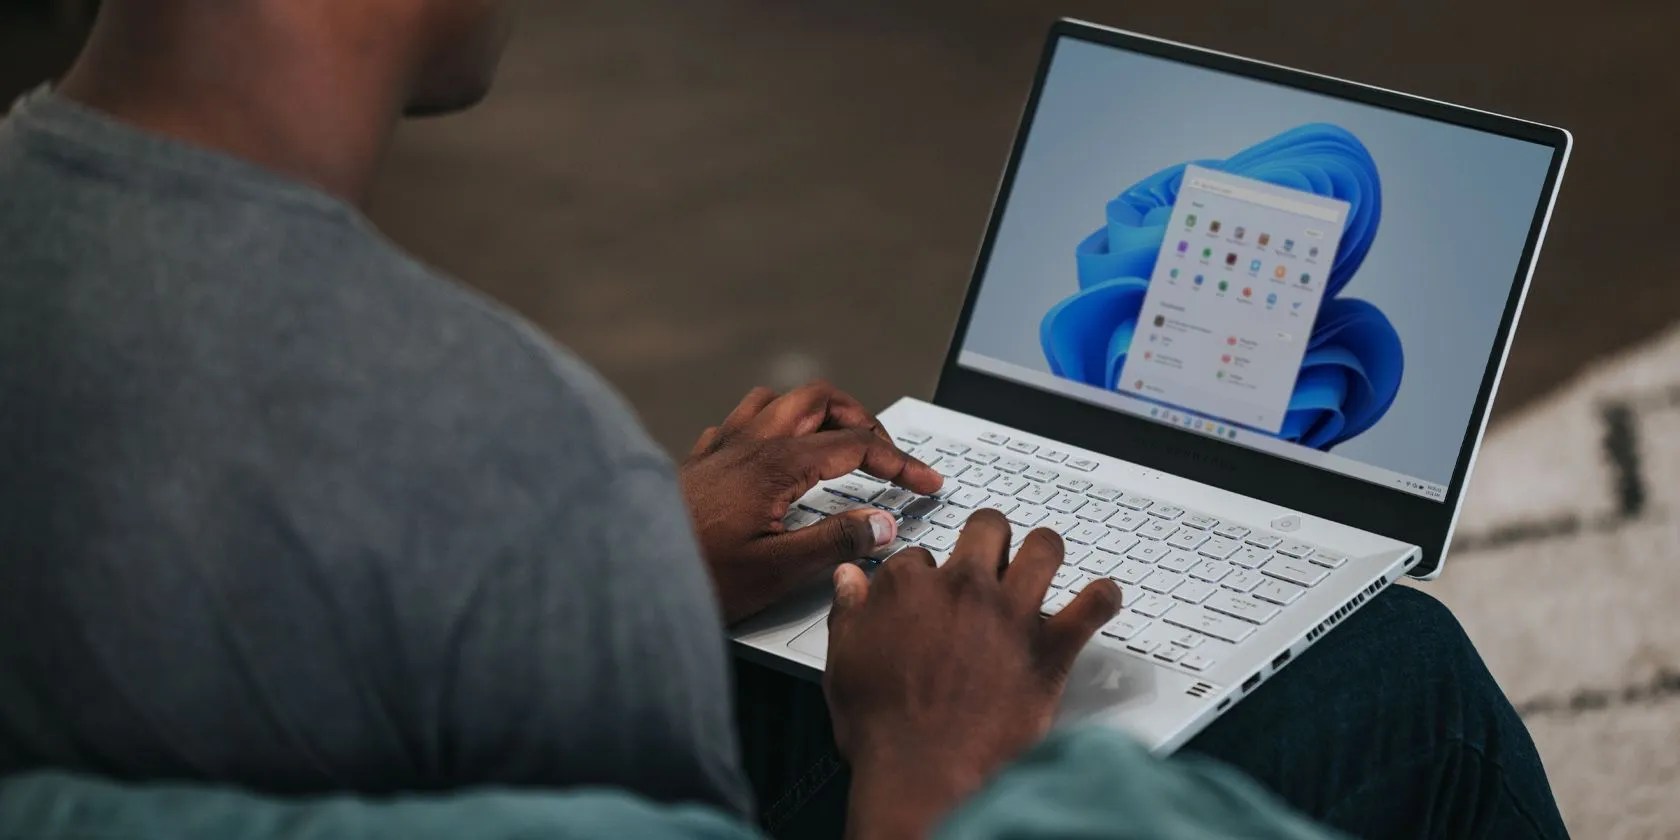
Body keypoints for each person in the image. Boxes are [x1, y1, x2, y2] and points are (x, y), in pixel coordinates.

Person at [0, 1, 1567, 838]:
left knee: (834, 617)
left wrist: (644, 558)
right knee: (1405, 677)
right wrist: (925, 763)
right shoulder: (485, 443)